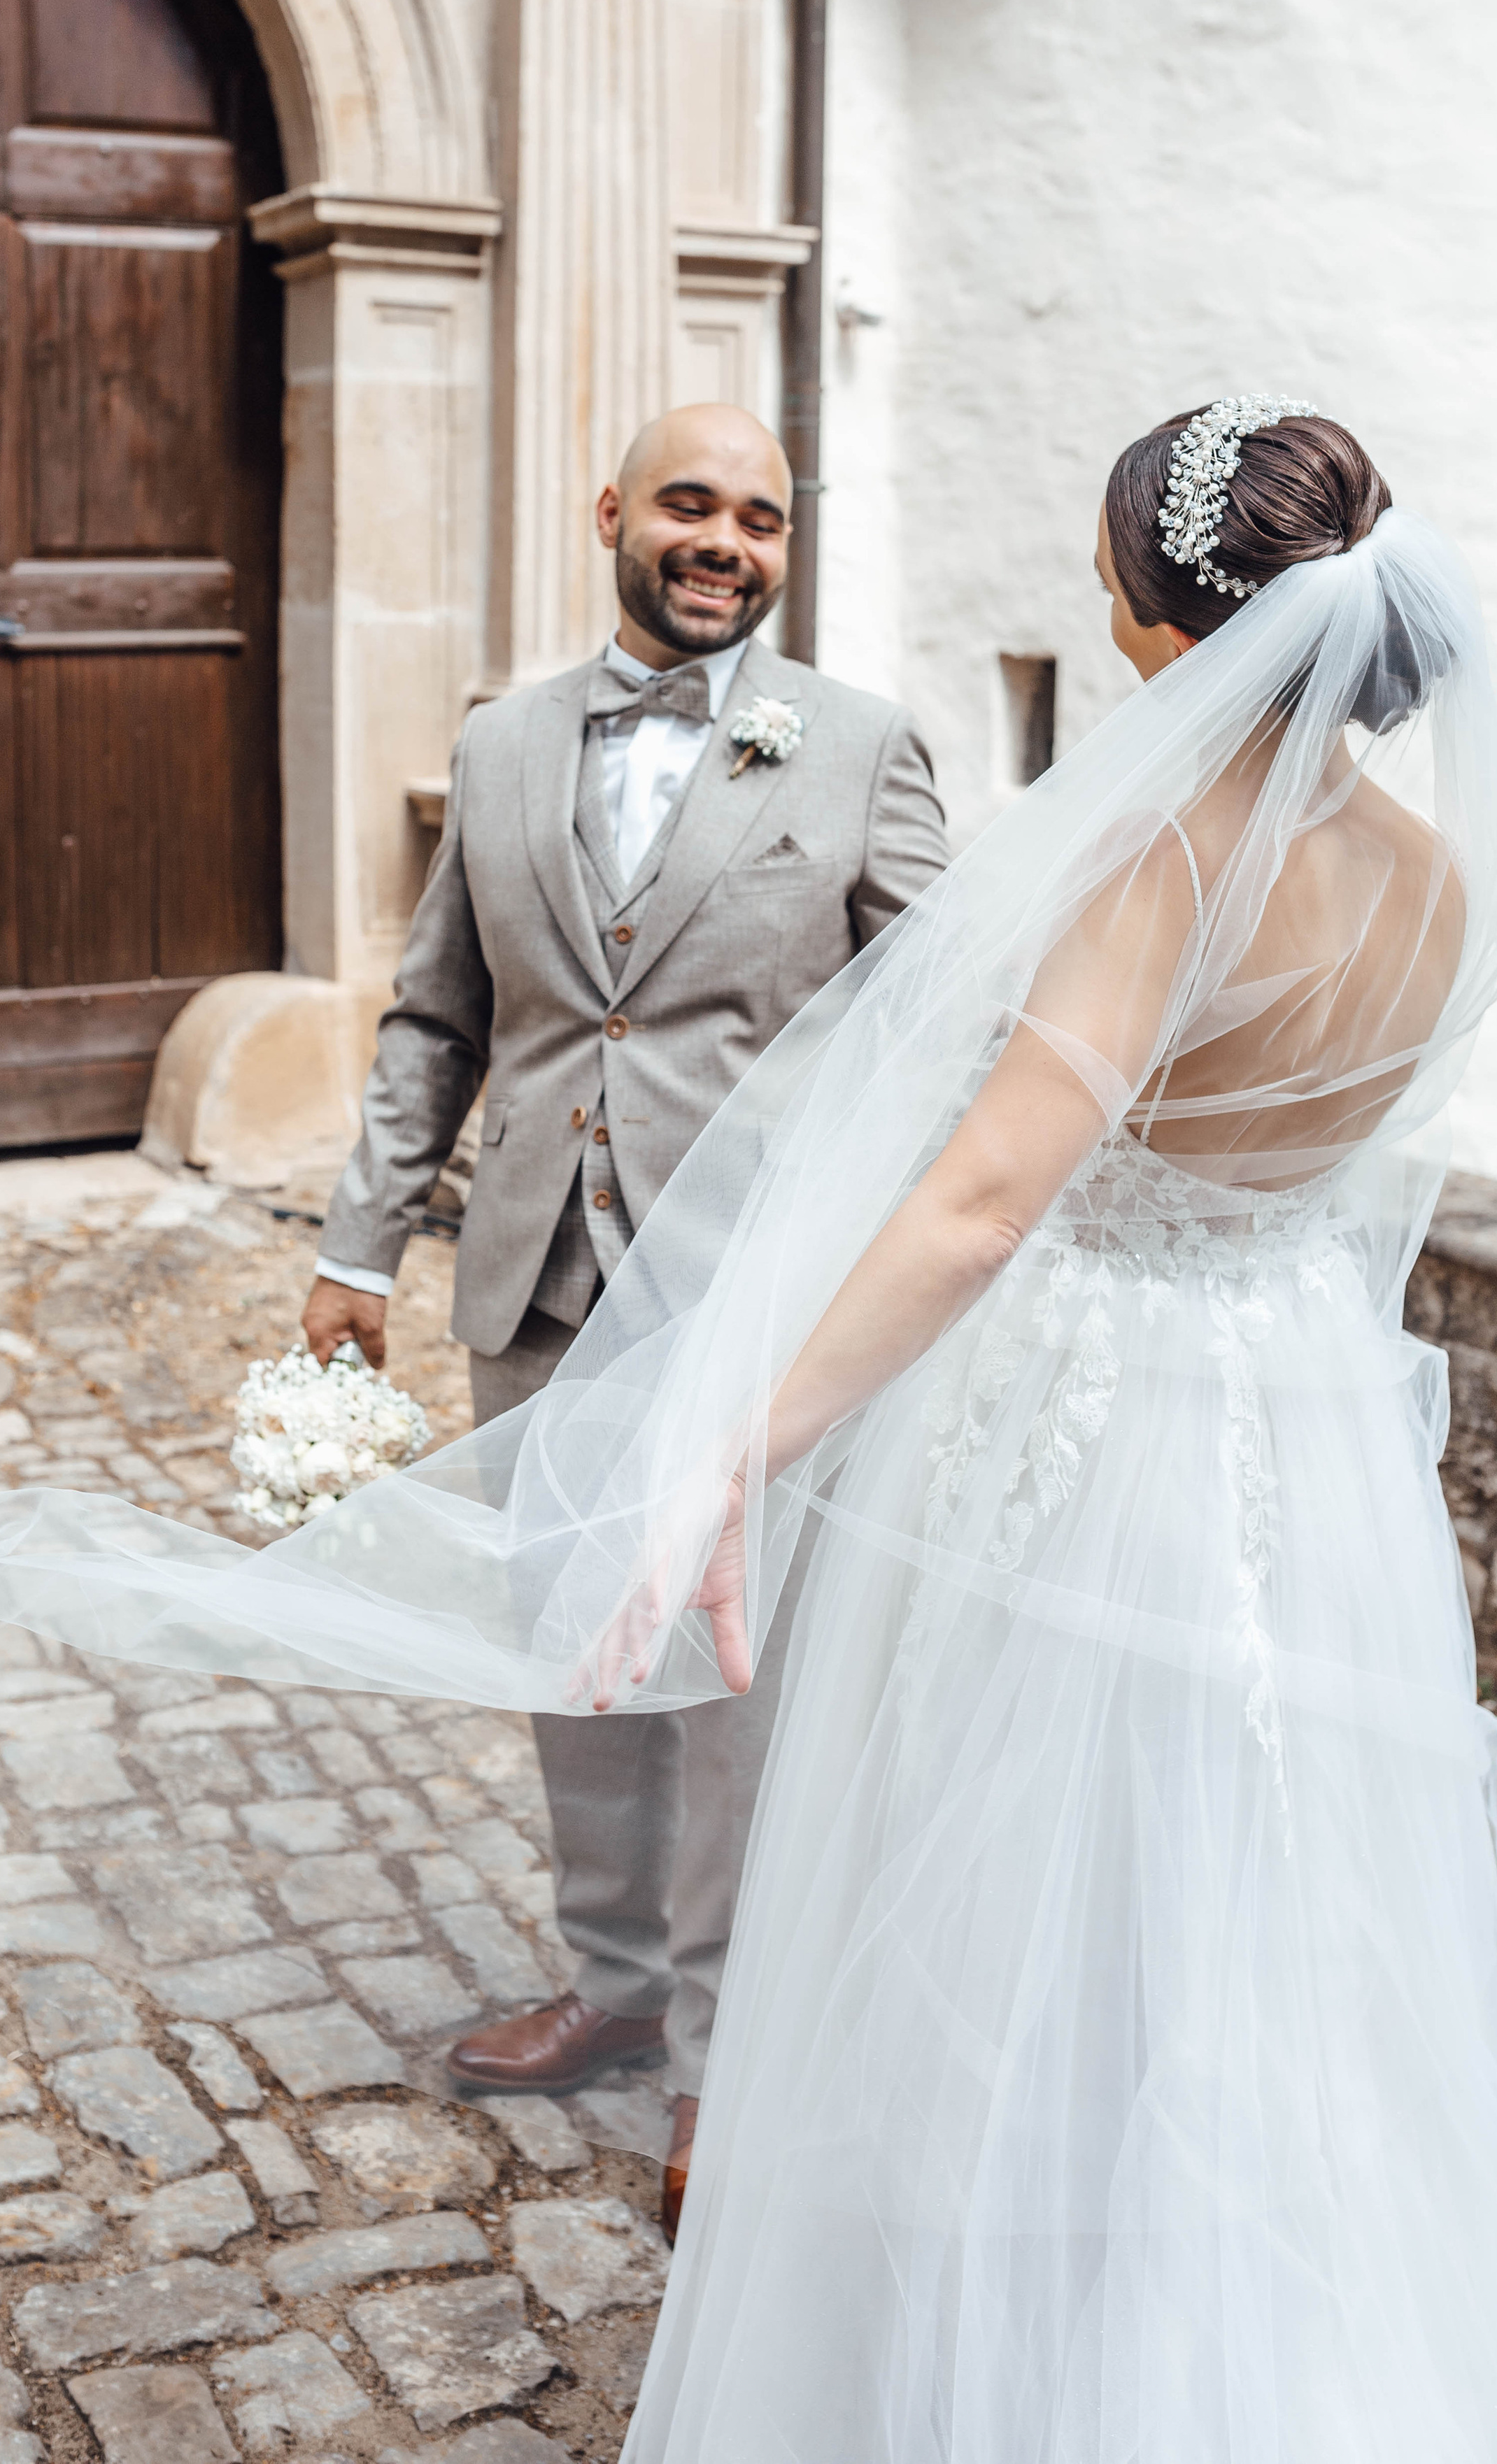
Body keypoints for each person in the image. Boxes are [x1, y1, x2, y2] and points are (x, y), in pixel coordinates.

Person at [0, 399, 1497, 2461]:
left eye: (1106, 577)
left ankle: (1025, 2352)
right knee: (1242, 1913)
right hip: (1295, 1451)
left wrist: (733, 1434)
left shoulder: (1172, 847)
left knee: (1004, 1898)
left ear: (1158, 619)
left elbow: (987, 1199)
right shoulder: (1441, 878)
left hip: (1087, 1454)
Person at [301, 401, 946, 2232]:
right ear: (615, 515)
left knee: (728, 1691)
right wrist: (361, 1249)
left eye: (762, 513)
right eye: (690, 501)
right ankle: (610, 1983)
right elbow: (438, 1015)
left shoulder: (861, 748)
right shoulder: (502, 744)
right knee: (577, 1655)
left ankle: (721, 2073)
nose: (726, 537)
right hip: (535, 1280)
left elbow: (942, 1015)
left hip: (755, 1307)